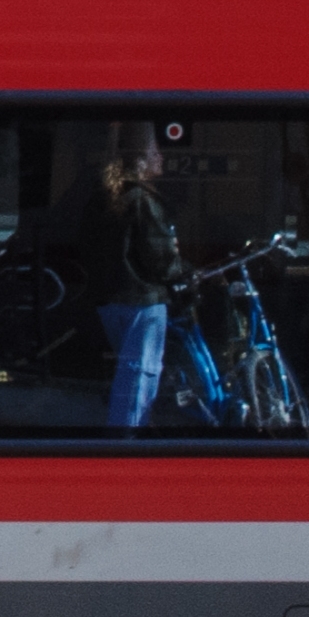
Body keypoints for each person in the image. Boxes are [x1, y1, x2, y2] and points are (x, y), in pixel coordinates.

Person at [97, 130, 182, 430]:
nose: (161, 158)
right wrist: (181, 270)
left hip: (111, 301)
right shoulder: (143, 201)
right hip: (143, 302)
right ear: (141, 161)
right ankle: (127, 445)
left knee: (126, 373)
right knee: (140, 376)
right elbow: (159, 257)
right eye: (155, 152)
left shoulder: (108, 198)